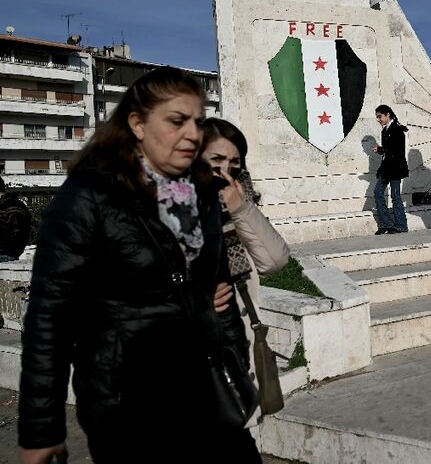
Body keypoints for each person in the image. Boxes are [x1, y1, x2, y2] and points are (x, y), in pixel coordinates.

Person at [18, 68, 261, 464]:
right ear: (137, 124)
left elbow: (221, 293)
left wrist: (235, 359)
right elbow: (49, 322)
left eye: (198, 122)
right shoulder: (88, 198)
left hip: (207, 393)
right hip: (128, 406)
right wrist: (40, 431)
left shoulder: (202, 192)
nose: (192, 134)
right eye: (176, 121)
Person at [201, 118, 292, 423]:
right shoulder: (168, 212)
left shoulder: (241, 217)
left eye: (234, 163)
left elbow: (275, 261)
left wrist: (241, 208)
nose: (225, 171)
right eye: (216, 160)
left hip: (240, 371)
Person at [373, 104, 409, 234]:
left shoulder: (397, 129)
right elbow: (387, 152)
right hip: (386, 168)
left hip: (395, 168)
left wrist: (381, 149)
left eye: (380, 116)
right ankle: (386, 223)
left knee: (395, 196)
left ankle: (401, 225)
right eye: (377, 117)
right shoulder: (385, 130)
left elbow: (396, 150)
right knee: (377, 193)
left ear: (388, 114)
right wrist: (381, 151)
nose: (379, 120)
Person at [0, 176, 32, 262]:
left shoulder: (12, 206)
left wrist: (3, 248)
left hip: (6, 254)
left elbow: (17, 231)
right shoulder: (9, 205)